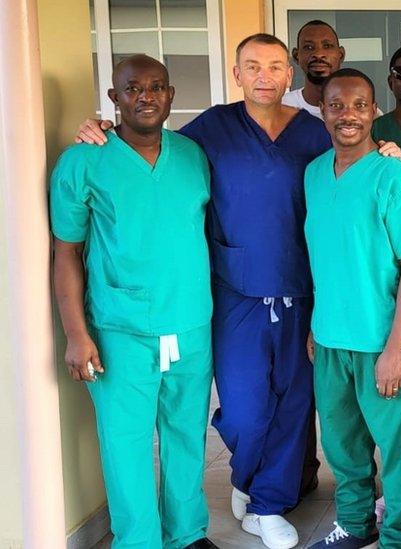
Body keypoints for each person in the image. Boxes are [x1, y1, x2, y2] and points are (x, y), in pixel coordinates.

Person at [73, 34, 401, 549]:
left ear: (289, 75)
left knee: (294, 405)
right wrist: (104, 128)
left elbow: (353, 162)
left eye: (275, 66)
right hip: (235, 292)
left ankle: (267, 502)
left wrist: (385, 148)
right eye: (253, 66)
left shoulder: (315, 132)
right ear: (237, 73)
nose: (265, 75)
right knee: (244, 408)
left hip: (302, 291)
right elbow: (151, 144)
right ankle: (247, 480)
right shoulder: (210, 129)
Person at [51, 55, 217, 549]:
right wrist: (77, 335)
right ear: (114, 98)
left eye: (157, 87)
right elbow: (65, 253)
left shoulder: (191, 155)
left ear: (170, 95)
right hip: (120, 328)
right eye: (133, 89)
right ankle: (137, 540)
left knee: (187, 436)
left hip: (189, 321)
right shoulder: (83, 160)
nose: (146, 97)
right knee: (125, 445)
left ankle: (188, 534)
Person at [304, 68, 401, 549]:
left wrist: (397, 347)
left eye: (359, 105)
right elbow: (323, 253)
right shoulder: (314, 174)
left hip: (382, 339)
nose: (347, 115)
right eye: (336, 105)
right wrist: (317, 323)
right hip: (331, 337)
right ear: (323, 110)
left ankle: (398, 536)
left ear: (373, 110)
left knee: (397, 449)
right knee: (342, 445)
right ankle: (356, 525)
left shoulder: (395, 177)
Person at [283, 20, 344, 118]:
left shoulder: (362, 111)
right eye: (309, 47)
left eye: (327, 46)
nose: (318, 54)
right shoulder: (281, 108)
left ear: (341, 55)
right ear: (296, 56)